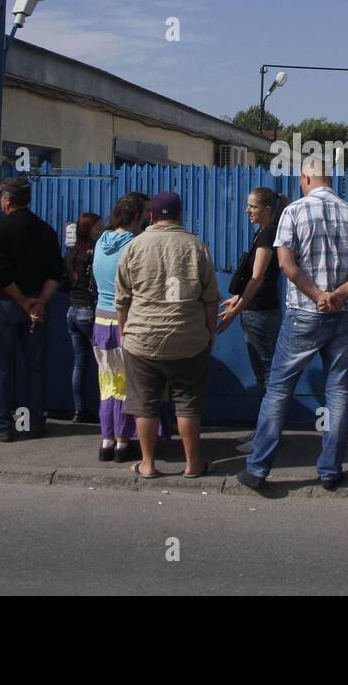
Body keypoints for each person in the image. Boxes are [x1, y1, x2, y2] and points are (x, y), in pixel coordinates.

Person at [238, 157, 348, 492]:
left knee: (279, 390)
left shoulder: (293, 213)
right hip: (344, 314)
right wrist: (338, 295)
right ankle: (330, 471)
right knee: (338, 391)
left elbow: (285, 264)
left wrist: (317, 296)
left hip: (304, 313)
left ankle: (258, 469)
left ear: (305, 178)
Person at [115, 192, 220, 478]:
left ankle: (147, 464)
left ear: (151, 216)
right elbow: (211, 298)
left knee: (145, 404)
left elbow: (122, 299)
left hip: (142, 339)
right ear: (180, 215)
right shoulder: (196, 247)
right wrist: (210, 333)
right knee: (188, 403)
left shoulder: (134, 247)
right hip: (188, 338)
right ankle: (192, 464)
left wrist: (125, 333)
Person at [0, 176, 63, 442]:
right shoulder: (46, 230)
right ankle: (34, 422)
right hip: (35, 306)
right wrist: (39, 301)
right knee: (34, 366)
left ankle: (2, 424)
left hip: (5, 304)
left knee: (1, 366)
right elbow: (55, 272)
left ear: (7, 199)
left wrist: (22, 301)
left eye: (2, 196)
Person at [217, 186, 285, 452]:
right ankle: (263, 431)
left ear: (267, 208)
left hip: (260, 312)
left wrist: (237, 309)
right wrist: (236, 300)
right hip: (256, 309)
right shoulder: (264, 231)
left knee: (267, 375)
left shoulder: (269, 233)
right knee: (263, 373)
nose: (248, 210)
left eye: (253, 206)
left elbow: (258, 277)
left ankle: (267, 438)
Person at [92, 195, 146, 462]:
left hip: (100, 320)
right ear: (137, 215)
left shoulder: (102, 241)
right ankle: (124, 442)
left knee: (107, 383)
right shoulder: (135, 244)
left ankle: (106, 440)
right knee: (127, 385)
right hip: (125, 320)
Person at [63, 212, 104, 424]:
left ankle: (79, 410)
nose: (103, 228)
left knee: (79, 363)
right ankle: (105, 410)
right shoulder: (96, 252)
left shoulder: (71, 252)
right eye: (98, 226)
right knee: (103, 364)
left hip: (72, 310)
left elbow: (64, 282)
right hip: (90, 310)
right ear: (90, 229)